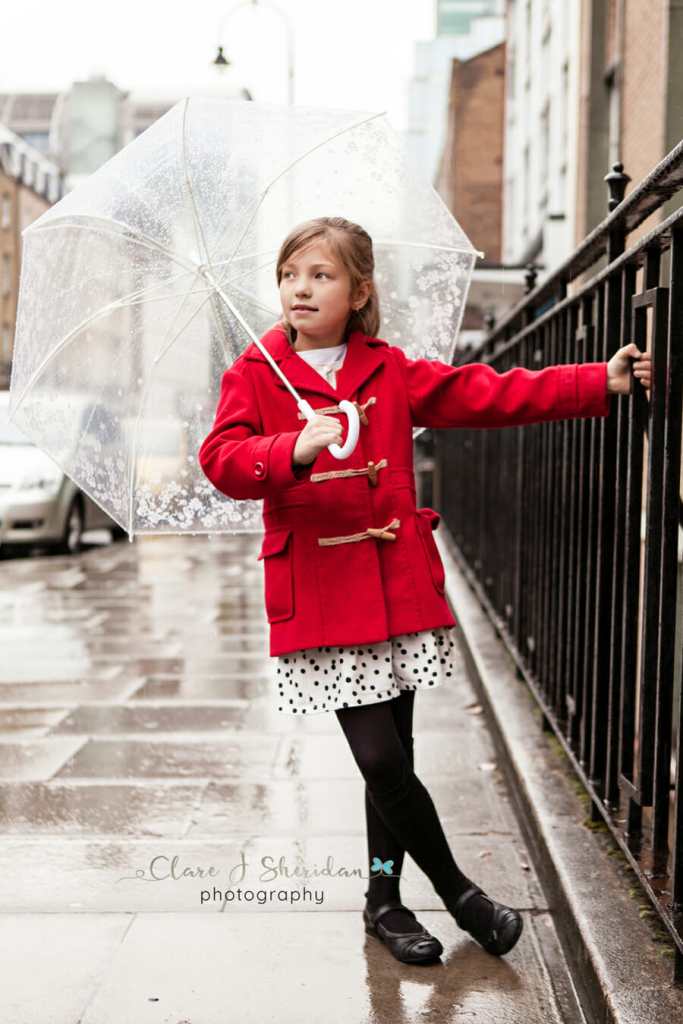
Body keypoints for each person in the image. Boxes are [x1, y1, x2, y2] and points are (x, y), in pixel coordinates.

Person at [198, 216, 652, 966]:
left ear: (359, 290)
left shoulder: (388, 368)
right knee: (378, 759)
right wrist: (291, 448)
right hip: (319, 592)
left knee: (397, 759)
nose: (300, 288)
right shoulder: (254, 371)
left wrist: (593, 378)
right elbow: (221, 459)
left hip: (396, 585)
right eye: (289, 274)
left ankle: (383, 899)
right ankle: (461, 894)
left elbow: (486, 392)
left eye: (320, 275)